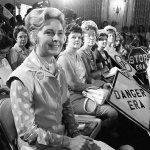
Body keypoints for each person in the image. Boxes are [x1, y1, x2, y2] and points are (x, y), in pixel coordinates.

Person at [6, 7, 105, 150]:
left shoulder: (57, 69)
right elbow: (28, 133)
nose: (57, 39)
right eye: (49, 32)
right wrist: (68, 142)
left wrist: (76, 134)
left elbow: (66, 105)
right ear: (34, 36)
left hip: (63, 138)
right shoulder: (21, 78)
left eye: (60, 33)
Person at [58, 22, 120, 140]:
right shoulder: (63, 58)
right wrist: (96, 88)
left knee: (113, 99)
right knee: (112, 112)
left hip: (84, 93)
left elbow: (88, 78)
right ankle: (104, 135)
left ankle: (104, 133)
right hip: (72, 99)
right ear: (66, 39)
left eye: (79, 37)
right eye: (73, 37)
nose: (77, 40)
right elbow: (74, 85)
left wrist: (103, 85)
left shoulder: (77, 55)